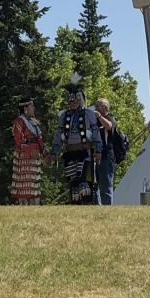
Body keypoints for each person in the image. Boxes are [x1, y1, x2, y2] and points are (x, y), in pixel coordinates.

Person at [51, 74, 101, 205]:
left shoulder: (88, 114)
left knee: (83, 179)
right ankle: (75, 205)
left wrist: (98, 150)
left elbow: (95, 133)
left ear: (79, 101)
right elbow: (58, 135)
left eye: (74, 100)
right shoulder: (63, 116)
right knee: (73, 181)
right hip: (69, 153)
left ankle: (86, 204)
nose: (72, 103)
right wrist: (54, 152)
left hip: (84, 153)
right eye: (70, 101)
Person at [11, 96, 46, 205]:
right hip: (24, 157)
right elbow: (18, 141)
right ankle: (24, 205)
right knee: (25, 184)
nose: (34, 108)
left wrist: (46, 155)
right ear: (25, 108)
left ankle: (35, 205)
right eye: (32, 106)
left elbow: (40, 139)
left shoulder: (35, 122)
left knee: (34, 183)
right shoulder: (19, 122)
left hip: (34, 157)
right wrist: (29, 149)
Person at [92, 98, 117, 205]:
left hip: (106, 157)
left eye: (98, 106)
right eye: (95, 106)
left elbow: (109, 126)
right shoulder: (95, 122)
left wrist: (100, 117)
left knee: (105, 185)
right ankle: (97, 208)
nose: (96, 108)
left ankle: (107, 209)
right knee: (93, 185)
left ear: (105, 108)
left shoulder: (110, 119)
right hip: (94, 157)